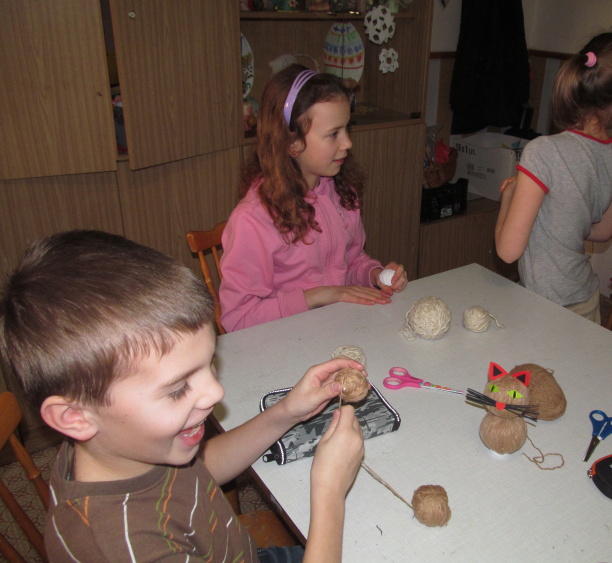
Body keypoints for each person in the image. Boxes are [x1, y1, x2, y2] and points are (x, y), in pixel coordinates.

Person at [0, 230, 365, 563]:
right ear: (75, 418)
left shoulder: (123, 445)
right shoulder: (122, 549)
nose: (216, 392)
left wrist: (287, 411)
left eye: (210, 363)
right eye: (177, 388)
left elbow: (199, 472)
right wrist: (329, 494)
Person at [220, 65, 407, 332]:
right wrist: (320, 295)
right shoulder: (252, 220)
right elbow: (238, 319)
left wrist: (375, 275)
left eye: (347, 129)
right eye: (333, 134)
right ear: (292, 143)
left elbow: (353, 260)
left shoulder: (341, 193)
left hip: (336, 329)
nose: (347, 143)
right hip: (284, 341)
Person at [494, 31, 612, 323]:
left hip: (544, 306)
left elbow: (507, 252)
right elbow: (603, 231)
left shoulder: (543, 151)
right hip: (585, 301)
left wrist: (509, 197)